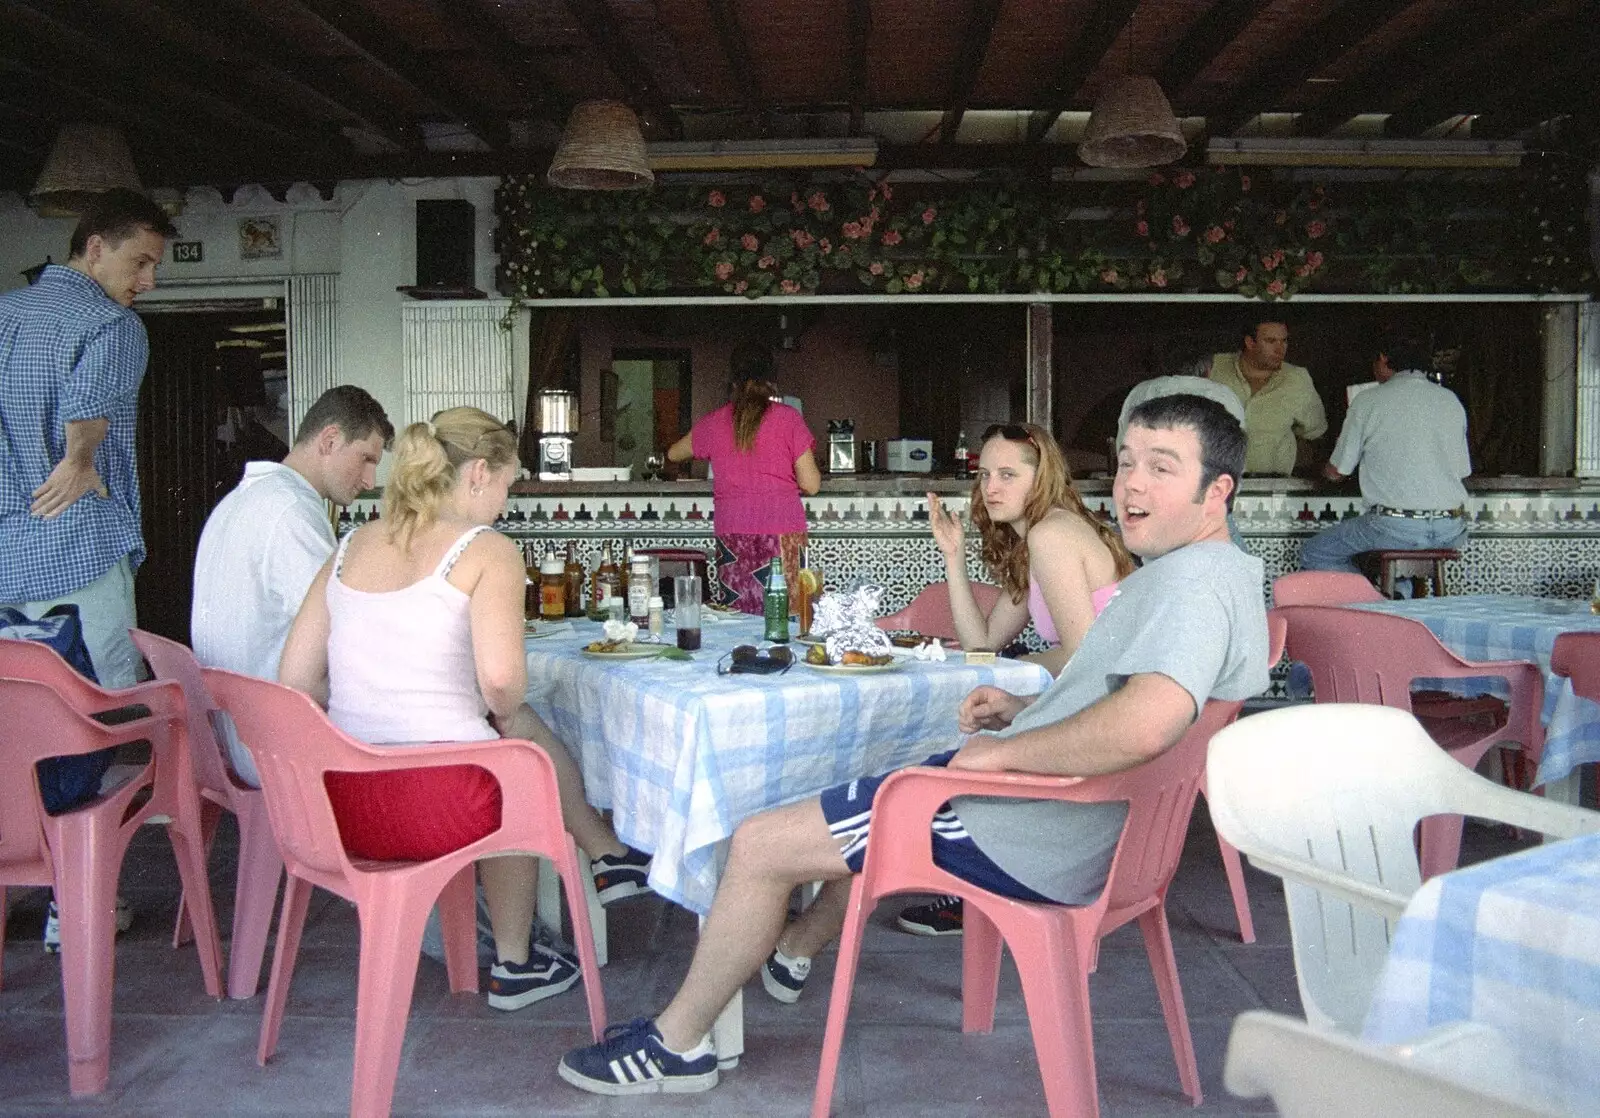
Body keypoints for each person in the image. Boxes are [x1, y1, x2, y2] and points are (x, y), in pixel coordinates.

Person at [556, 393, 1269, 1095]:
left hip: (1026, 826)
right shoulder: (1218, 574)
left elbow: (1146, 723)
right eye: (1127, 462)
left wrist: (1006, 752)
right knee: (866, 785)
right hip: (1066, 820)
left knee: (760, 842)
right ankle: (789, 948)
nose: (1133, 483)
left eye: (1163, 467)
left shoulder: (1193, 587)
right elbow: (1118, 696)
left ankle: (680, 1040)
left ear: (1218, 490)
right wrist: (1025, 709)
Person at [278, 407, 652, 1011]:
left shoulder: (348, 548)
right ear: (478, 473)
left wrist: (376, 702)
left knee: (511, 741)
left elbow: (294, 680)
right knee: (519, 752)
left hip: (341, 806)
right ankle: (517, 960)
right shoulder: (487, 550)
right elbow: (503, 684)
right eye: (506, 485)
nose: (505, 504)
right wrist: (481, 703)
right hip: (437, 805)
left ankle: (600, 863)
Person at [900, 422, 1135, 938]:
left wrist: (1020, 684)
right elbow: (984, 643)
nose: (991, 488)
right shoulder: (1040, 536)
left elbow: (1082, 657)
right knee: (978, 718)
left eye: (1008, 474)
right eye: (984, 475)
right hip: (1100, 707)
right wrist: (952, 556)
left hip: (1101, 720)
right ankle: (973, 878)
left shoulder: (1052, 534)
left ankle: (978, 879)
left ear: (1042, 478)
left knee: (968, 739)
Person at [0, 189, 178, 689]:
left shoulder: (5, 313)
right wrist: (78, 461)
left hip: (7, 550)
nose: (149, 281)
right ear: (96, 247)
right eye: (140, 262)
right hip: (82, 545)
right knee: (106, 694)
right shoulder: (114, 326)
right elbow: (86, 408)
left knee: (20, 705)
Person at [192, 385, 394, 786]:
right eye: (366, 459)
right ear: (330, 440)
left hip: (233, 732)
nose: (371, 479)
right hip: (273, 743)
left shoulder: (243, 499)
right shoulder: (291, 514)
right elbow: (345, 632)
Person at [665, 342, 821, 613]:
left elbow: (674, 453)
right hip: (782, 531)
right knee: (787, 616)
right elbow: (811, 485)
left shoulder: (715, 422)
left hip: (732, 534)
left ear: (732, 380)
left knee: (736, 618)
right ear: (772, 379)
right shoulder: (788, 419)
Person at [1301, 331, 1470, 579]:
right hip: (1450, 529)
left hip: (1393, 527)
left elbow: (1337, 472)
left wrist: (1320, 468)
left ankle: (1380, 604)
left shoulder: (1368, 400)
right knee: (1386, 557)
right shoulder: (1450, 400)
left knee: (1315, 552)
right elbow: (1462, 470)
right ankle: (1398, 594)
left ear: (1382, 359)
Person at [1209, 317, 1326, 477]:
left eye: (1284, 341)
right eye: (1271, 341)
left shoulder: (1297, 379)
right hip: (1217, 483)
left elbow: (1315, 433)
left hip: (1273, 487)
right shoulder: (1214, 368)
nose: (1280, 349)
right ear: (1250, 343)